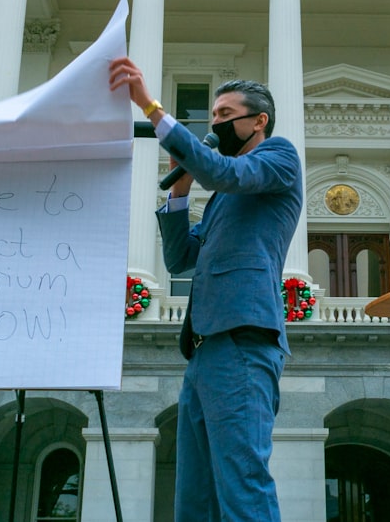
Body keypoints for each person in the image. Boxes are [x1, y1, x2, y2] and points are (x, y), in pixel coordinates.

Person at [109, 56, 303, 522]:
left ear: (258, 121)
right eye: (211, 116)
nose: (214, 124)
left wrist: (151, 107)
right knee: (194, 495)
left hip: (242, 339)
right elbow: (181, 258)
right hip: (203, 349)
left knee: (242, 484)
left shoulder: (278, 158)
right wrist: (180, 189)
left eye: (224, 115)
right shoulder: (220, 197)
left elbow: (226, 172)